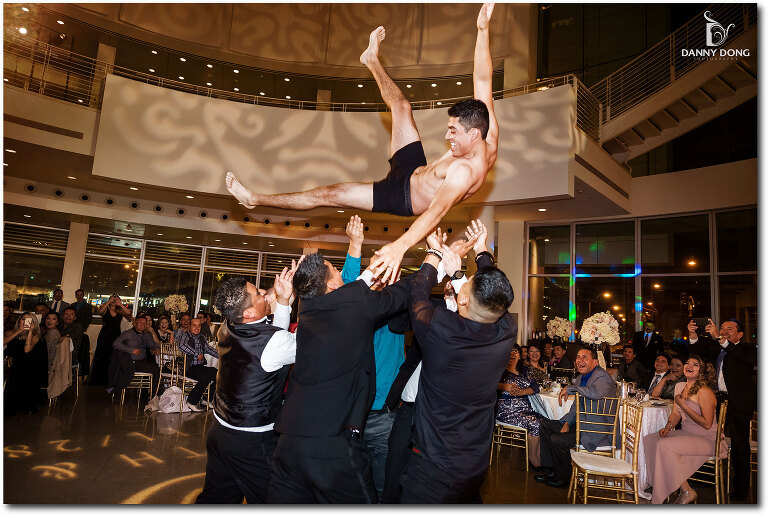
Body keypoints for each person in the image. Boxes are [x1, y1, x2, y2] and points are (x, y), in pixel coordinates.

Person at [226, 3, 500, 285]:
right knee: (401, 106)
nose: (447, 137)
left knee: (330, 194)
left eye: (453, 131)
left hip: (401, 195)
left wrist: (400, 246)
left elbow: (436, 212)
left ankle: (254, 199)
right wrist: (482, 30)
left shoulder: (465, 172)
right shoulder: (487, 131)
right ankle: (371, 59)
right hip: (414, 168)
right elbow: (482, 79)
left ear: (473, 135)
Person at [268, 251, 410, 504]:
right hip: (333, 436)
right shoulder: (354, 306)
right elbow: (357, 290)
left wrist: (296, 288)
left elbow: (351, 288)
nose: (341, 273)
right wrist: (434, 260)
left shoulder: (311, 310)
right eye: (335, 269)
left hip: (298, 435)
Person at [381, 218, 493, 504]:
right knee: (394, 474)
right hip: (408, 410)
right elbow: (396, 322)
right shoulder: (433, 313)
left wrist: (441, 259)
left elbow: (489, 301)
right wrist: (441, 264)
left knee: (438, 486)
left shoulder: (479, 332)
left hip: (443, 422)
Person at [399, 230, 515, 503]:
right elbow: (493, 296)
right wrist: (481, 252)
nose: (465, 281)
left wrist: (434, 252)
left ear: (463, 300)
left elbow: (417, 292)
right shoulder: (507, 329)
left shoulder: (441, 328)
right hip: (474, 464)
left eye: (467, 283)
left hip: (434, 468)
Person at [196, 264, 299, 504]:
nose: (264, 292)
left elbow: (274, 338)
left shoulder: (227, 325)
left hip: (219, 431)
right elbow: (309, 342)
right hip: (252, 442)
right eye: (258, 293)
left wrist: (283, 298)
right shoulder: (273, 342)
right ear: (249, 313)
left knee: (216, 499)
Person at [340, 215, 406, 501]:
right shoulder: (355, 311)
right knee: (350, 485)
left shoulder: (396, 309)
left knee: (382, 486)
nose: (378, 273)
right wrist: (355, 246)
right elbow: (349, 289)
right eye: (375, 267)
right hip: (351, 415)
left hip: (384, 416)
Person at [688, 318, 756, 501]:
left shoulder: (748, 349)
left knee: (740, 445)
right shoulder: (718, 347)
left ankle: (741, 490)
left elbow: (743, 358)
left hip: (739, 403)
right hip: (717, 400)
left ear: (740, 334)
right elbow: (698, 354)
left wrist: (720, 338)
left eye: (729, 329)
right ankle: (706, 478)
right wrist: (693, 335)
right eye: (722, 328)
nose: (724, 331)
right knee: (708, 435)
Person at [643, 355, 725, 504]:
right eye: (687, 363)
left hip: (707, 439)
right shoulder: (680, 386)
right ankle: (659, 485)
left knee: (664, 445)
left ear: (701, 371)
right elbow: (676, 414)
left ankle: (687, 491)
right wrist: (668, 427)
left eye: (695, 365)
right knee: (650, 439)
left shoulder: (704, 391)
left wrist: (684, 405)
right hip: (687, 434)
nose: (689, 366)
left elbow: (707, 424)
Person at [534, 346, 616, 488]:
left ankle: (563, 478)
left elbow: (595, 393)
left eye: (584, 357)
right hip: (581, 424)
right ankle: (553, 470)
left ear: (595, 362)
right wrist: (567, 422)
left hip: (596, 430)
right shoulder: (580, 378)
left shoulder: (602, 377)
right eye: (578, 357)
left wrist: (570, 388)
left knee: (557, 439)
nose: (580, 360)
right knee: (545, 425)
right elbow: (575, 407)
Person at [495, 344, 542, 468]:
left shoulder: (524, 371)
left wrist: (522, 392)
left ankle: (541, 458)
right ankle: (533, 459)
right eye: (509, 351)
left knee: (545, 421)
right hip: (506, 411)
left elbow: (535, 387)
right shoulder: (499, 370)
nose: (512, 354)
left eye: (515, 351)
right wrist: (503, 386)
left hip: (525, 409)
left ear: (520, 356)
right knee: (535, 423)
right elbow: (487, 385)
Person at [3, 312, 47, 415]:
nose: (25, 322)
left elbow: (27, 350)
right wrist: (19, 331)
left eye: (29, 320)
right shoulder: (11, 332)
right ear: (19, 321)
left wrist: (30, 331)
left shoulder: (36, 336)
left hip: (29, 367)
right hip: (14, 366)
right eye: (23, 319)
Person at [107, 314, 161, 395]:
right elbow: (116, 343)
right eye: (141, 322)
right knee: (156, 369)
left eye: (145, 323)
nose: (143, 325)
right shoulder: (128, 333)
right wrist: (131, 350)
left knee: (158, 367)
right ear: (134, 323)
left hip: (142, 361)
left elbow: (155, 345)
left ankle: (153, 394)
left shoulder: (146, 335)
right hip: (131, 362)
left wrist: (154, 346)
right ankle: (154, 395)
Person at [177, 317, 219, 411]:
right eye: (194, 325)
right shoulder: (185, 335)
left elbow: (209, 349)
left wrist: (223, 356)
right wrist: (196, 354)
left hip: (199, 367)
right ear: (189, 326)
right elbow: (181, 345)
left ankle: (207, 399)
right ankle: (191, 402)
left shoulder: (201, 337)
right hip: (188, 367)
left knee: (218, 375)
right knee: (205, 376)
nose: (197, 327)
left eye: (199, 325)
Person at [89, 294, 132, 385]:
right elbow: (100, 311)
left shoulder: (120, 311)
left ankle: (112, 379)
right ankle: (99, 379)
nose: (113, 301)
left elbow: (129, 313)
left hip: (116, 336)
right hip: (105, 336)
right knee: (102, 356)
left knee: (113, 357)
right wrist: (109, 301)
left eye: (115, 299)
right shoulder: (105, 309)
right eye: (112, 299)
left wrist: (120, 304)